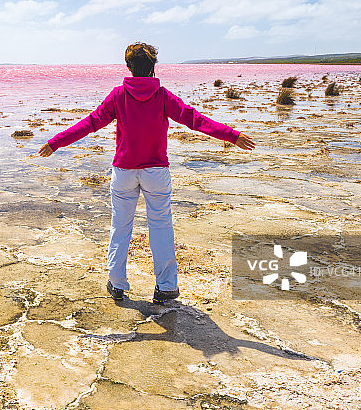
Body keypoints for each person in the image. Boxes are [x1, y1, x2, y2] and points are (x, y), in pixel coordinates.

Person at [38, 42, 255, 304]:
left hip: (124, 173)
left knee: (120, 227)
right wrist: (232, 136)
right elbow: (196, 120)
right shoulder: (163, 96)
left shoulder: (118, 96)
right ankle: (165, 287)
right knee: (161, 227)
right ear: (153, 67)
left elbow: (90, 123)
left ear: (129, 67)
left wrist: (56, 142)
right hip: (156, 173)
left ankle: (117, 284)